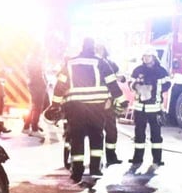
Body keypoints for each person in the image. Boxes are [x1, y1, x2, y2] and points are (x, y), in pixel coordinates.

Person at [48, 38, 126, 183]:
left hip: (75, 108)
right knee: (96, 137)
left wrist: (55, 105)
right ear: (93, 48)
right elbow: (112, 84)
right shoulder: (101, 62)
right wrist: (122, 102)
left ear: (82, 47)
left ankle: (77, 172)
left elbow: (60, 86)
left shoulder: (70, 63)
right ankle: (95, 169)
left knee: (77, 138)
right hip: (96, 108)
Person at [129, 46, 171, 166]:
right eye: (145, 56)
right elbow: (130, 83)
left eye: (149, 56)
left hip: (155, 108)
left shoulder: (161, 71)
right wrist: (136, 86)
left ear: (154, 57)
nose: (146, 58)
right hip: (140, 108)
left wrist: (154, 89)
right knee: (139, 134)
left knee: (156, 135)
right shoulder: (137, 70)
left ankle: (157, 159)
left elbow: (167, 84)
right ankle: (137, 158)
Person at [96, 43, 123, 166]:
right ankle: (96, 159)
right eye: (97, 49)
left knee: (111, 130)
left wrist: (120, 77)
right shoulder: (91, 63)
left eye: (101, 48)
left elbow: (118, 78)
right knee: (95, 132)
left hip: (109, 102)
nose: (99, 51)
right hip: (94, 103)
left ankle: (111, 156)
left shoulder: (110, 64)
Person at [22, 45, 48, 136]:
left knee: (33, 106)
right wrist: (45, 83)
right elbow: (40, 73)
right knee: (38, 107)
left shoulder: (29, 59)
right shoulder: (37, 60)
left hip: (32, 83)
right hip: (38, 84)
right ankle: (34, 129)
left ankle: (26, 127)